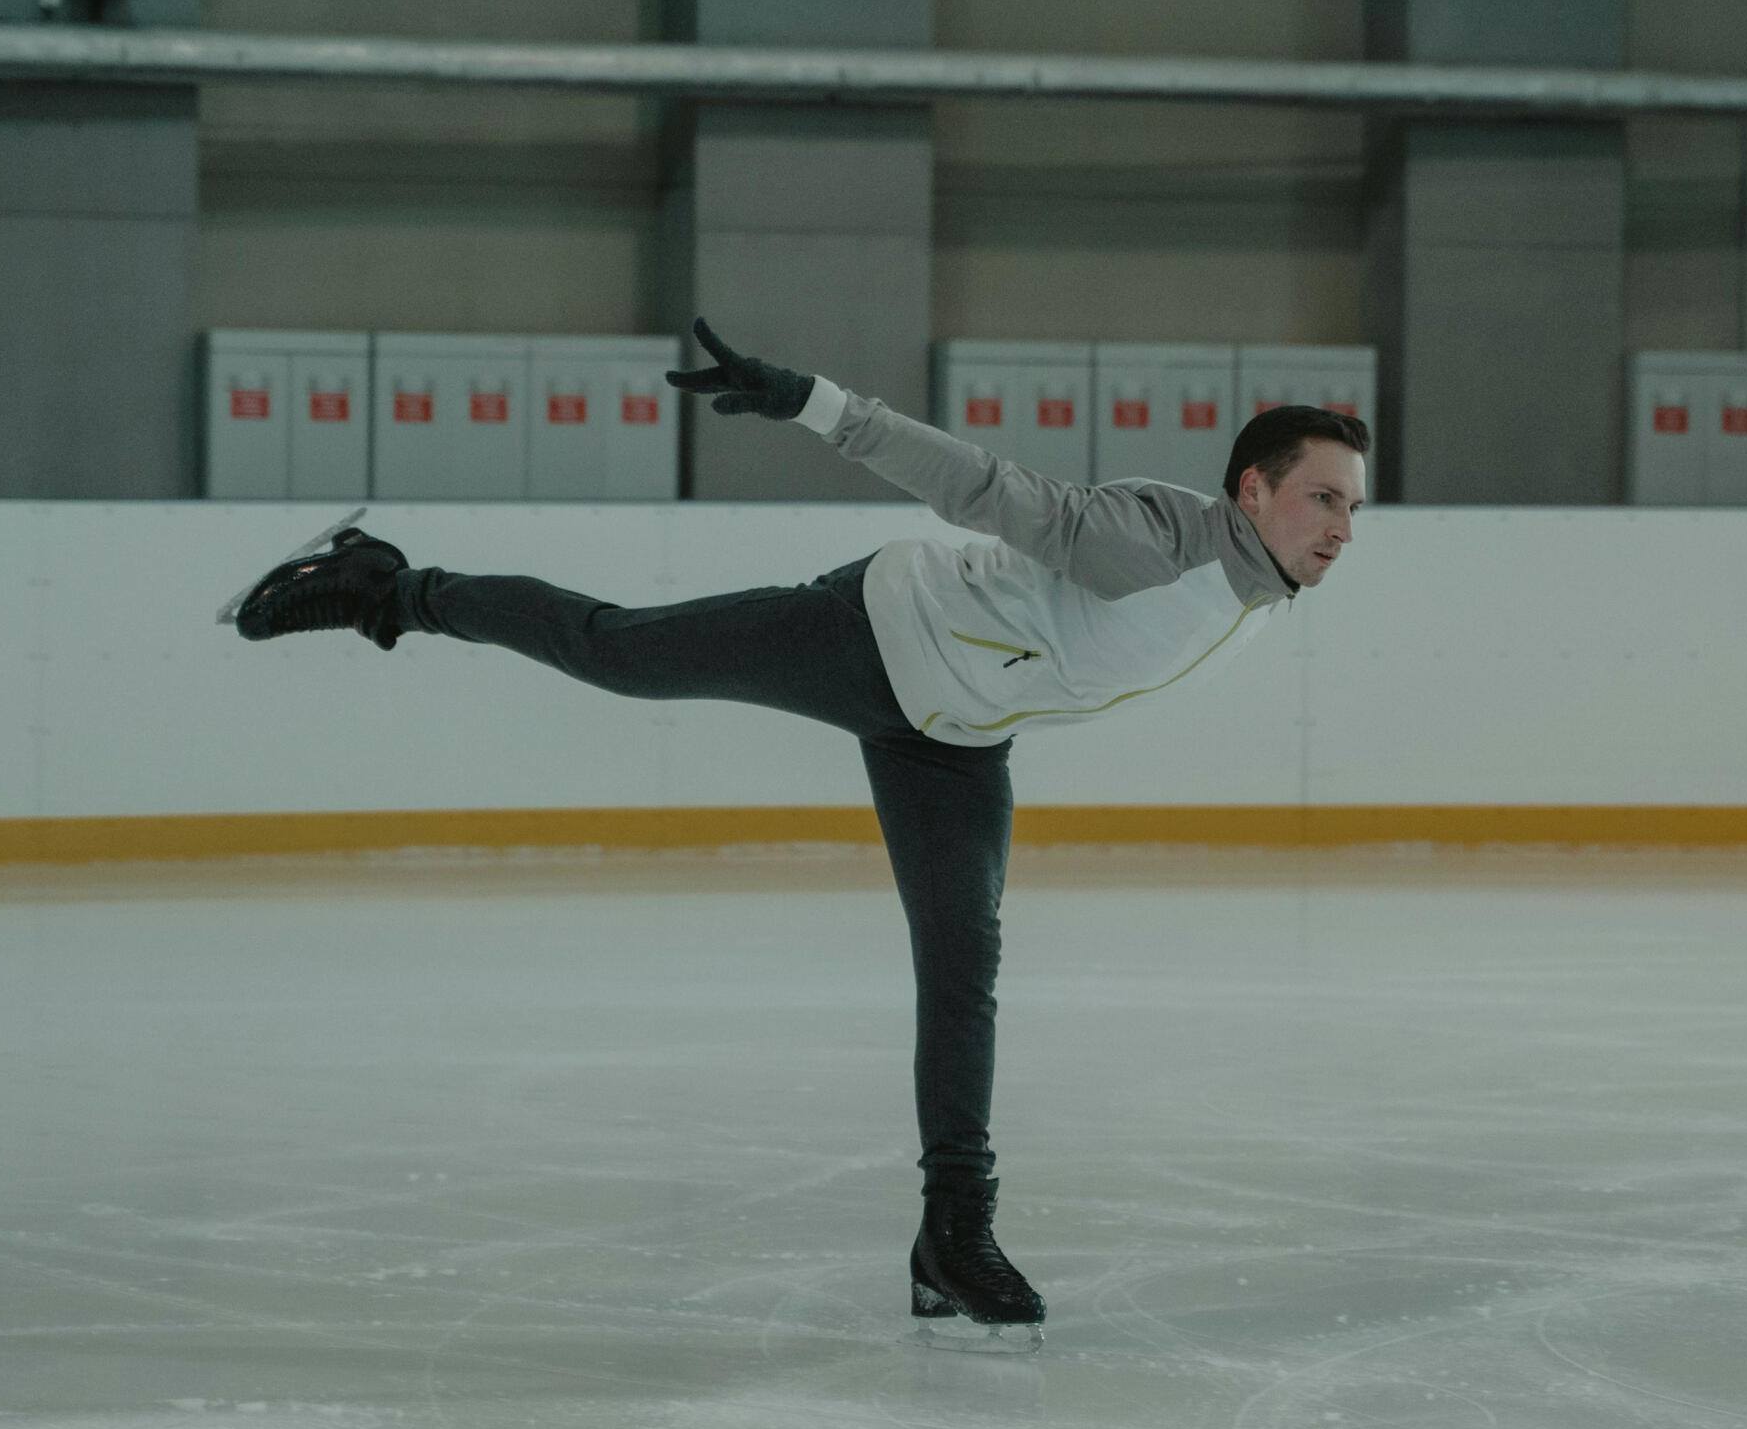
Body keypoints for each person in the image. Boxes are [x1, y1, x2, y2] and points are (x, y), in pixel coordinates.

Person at [225, 316, 1369, 1349]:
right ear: (1255, 490)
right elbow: (983, 486)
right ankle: (390, 587)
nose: (1343, 527)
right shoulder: (1156, 540)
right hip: (871, 634)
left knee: (963, 967)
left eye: (1354, 506)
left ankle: (949, 1243)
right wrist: (818, 403)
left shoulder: (1256, 590)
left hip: (955, 732)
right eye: (1324, 498)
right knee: (619, 651)